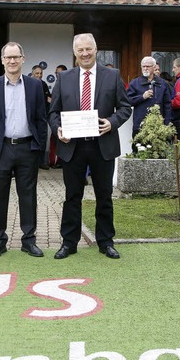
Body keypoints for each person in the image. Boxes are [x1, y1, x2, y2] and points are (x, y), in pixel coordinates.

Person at [49, 33, 132, 260]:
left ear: (96, 49)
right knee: (72, 196)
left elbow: (125, 108)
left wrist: (112, 123)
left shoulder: (112, 76)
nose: (85, 54)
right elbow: (53, 112)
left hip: (102, 146)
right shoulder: (64, 78)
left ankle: (106, 242)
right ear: (75, 53)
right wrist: (58, 129)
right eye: (80, 50)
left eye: (88, 49)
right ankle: (69, 243)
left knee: (104, 196)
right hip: (72, 147)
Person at [0, 42, 47, 259]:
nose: (12, 61)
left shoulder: (35, 86)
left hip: (28, 148)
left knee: (28, 196)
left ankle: (29, 240)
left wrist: (40, 148)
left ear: (23, 58)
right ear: (2, 60)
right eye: (8, 57)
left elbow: (40, 119)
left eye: (16, 57)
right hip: (1, 150)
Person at [127, 56, 172, 136]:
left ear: (154, 67)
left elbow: (167, 105)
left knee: (157, 148)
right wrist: (142, 97)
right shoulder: (135, 83)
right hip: (140, 125)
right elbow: (128, 101)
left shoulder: (162, 83)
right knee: (139, 148)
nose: (145, 68)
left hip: (158, 125)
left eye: (147, 66)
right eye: (143, 66)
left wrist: (167, 123)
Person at [31, 64, 52, 170]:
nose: (39, 75)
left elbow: (49, 99)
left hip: (42, 116)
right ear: (32, 74)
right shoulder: (28, 84)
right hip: (31, 117)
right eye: (37, 73)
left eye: (40, 73)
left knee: (42, 139)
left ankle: (41, 162)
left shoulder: (43, 84)